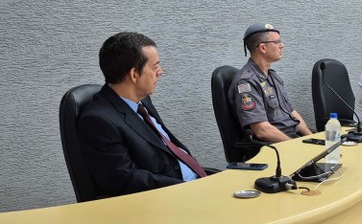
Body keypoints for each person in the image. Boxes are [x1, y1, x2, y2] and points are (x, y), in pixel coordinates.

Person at [79, 32, 207, 198]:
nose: (160, 72)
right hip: (169, 198)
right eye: (154, 67)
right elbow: (125, 180)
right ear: (134, 74)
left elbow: (167, 149)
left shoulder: (143, 101)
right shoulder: (98, 121)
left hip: (194, 183)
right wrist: (191, 188)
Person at [229, 22, 312, 142]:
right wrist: (295, 146)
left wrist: (311, 139)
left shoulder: (273, 77)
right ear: (263, 47)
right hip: (275, 147)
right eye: (277, 42)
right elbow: (262, 130)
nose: (282, 45)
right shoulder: (247, 82)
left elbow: (292, 113)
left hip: (292, 141)